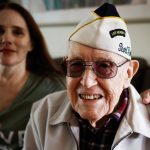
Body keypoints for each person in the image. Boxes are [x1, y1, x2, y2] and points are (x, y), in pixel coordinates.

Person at [23, 2, 150, 150]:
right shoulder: (43, 112)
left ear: (128, 74)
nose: (87, 82)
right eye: (76, 65)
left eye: (104, 66)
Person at [0, 2, 65, 150]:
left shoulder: (55, 88)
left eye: (17, 32)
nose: (7, 39)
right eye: (0, 31)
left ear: (31, 44)